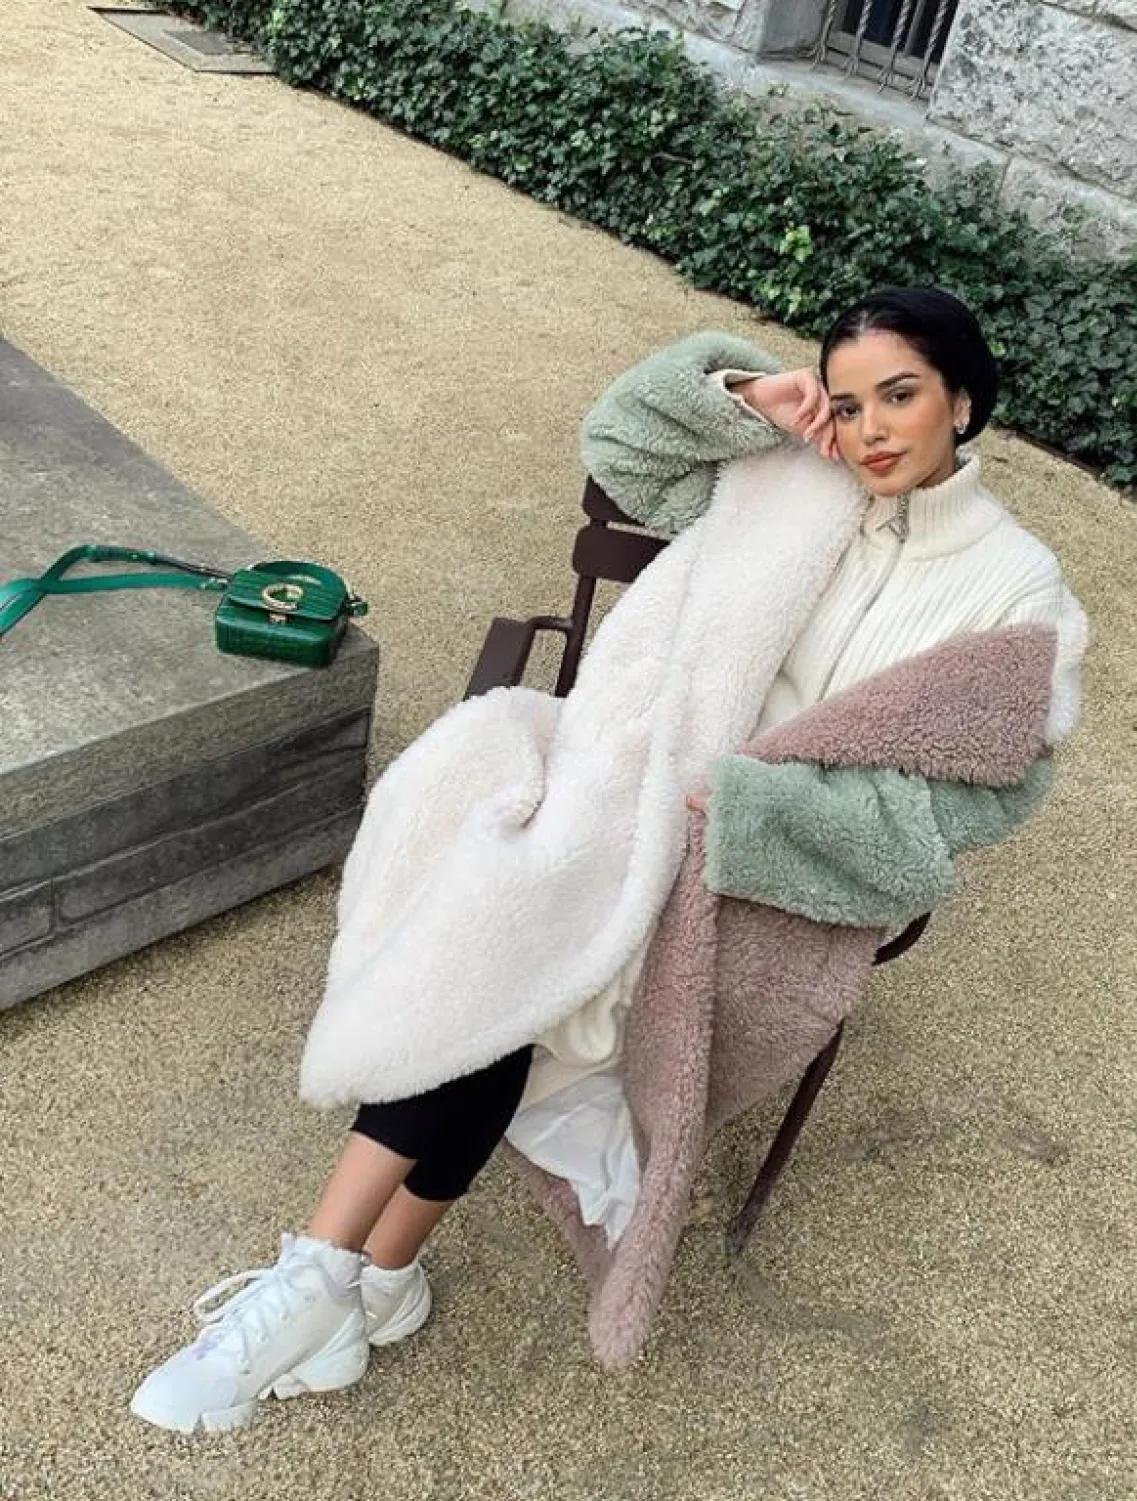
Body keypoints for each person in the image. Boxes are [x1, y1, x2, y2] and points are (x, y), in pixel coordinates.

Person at [131, 287, 1083, 1432]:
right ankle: (354, 1277)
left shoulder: (1015, 588)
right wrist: (750, 397)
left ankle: (332, 1279)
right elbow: (624, 445)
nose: (870, 428)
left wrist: (754, 809)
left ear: (962, 401)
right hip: (623, 784)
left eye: (900, 395)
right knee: (505, 920)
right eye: (847, 402)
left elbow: (973, 804)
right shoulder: (792, 477)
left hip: (762, 872)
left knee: (507, 950)